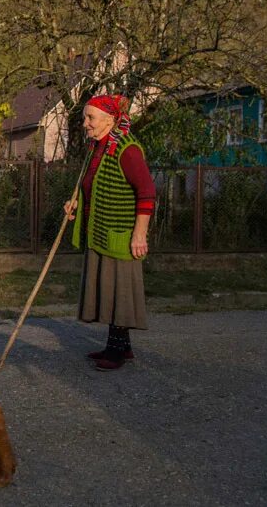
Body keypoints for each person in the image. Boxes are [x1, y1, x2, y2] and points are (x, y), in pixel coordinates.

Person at [64, 94, 155, 371]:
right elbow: (92, 185)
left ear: (110, 119)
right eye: (84, 118)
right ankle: (121, 347)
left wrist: (140, 234)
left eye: (90, 118)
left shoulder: (126, 149)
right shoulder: (98, 148)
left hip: (120, 233)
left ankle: (116, 352)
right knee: (110, 290)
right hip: (99, 230)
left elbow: (147, 192)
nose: (85, 123)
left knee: (120, 292)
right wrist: (75, 203)